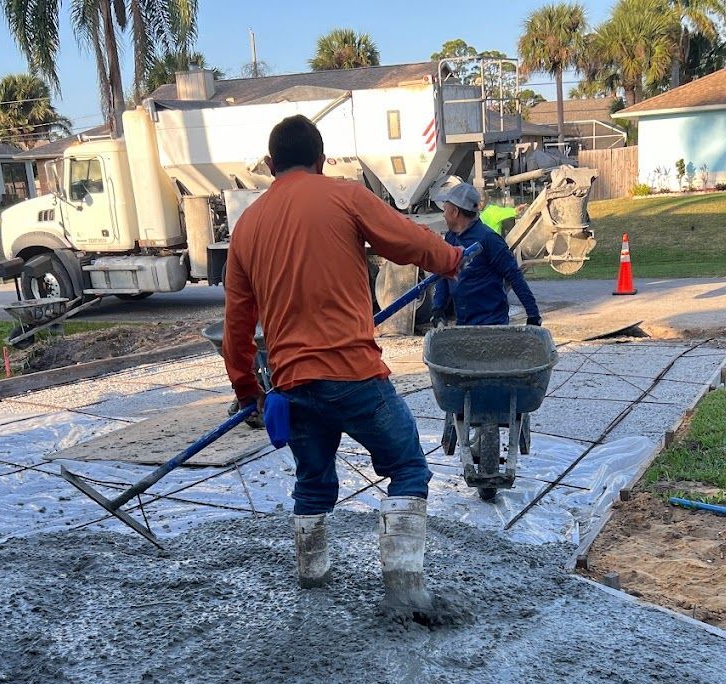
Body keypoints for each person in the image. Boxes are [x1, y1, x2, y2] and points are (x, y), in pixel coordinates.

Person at [223, 115, 464, 623]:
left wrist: (249, 393)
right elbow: (407, 240)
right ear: (321, 158)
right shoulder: (344, 196)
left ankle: (313, 580)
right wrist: (450, 259)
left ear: (271, 166)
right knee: (407, 469)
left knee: (312, 486)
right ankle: (403, 589)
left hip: (292, 385)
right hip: (354, 376)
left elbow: (237, 328)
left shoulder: (247, 227)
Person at [429, 181, 541, 328]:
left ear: (455, 212)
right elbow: (444, 275)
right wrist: (438, 309)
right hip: (463, 323)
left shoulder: (489, 240)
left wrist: (533, 315)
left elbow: (515, 277)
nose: (443, 215)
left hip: (492, 326)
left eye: (445, 209)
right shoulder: (451, 238)